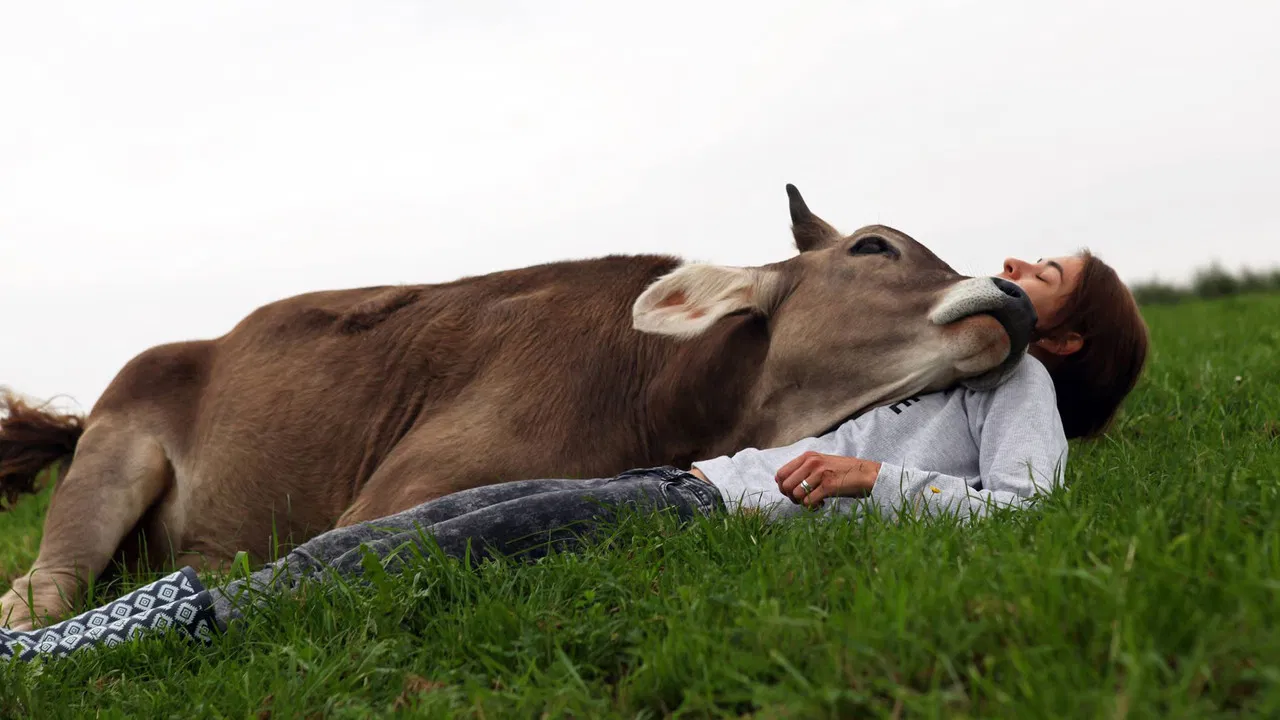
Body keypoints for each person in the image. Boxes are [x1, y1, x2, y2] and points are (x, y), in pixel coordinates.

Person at [0, 251, 1149, 662]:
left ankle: (173, 622)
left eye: (1038, 273)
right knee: (446, 526)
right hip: (682, 486)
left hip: (686, 503)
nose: (1004, 263)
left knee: (479, 532)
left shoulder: (1005, 396)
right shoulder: (937, 379)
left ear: (1058, 342)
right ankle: (60, 600)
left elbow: (1015, 508)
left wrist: (864, 481)